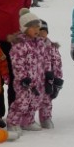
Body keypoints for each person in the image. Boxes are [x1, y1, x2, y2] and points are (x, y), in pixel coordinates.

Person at [5, 8, 47, 138]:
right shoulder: (19, 44)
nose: (36, 30)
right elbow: (17, 63)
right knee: (22, 102)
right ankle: (12, 122)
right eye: (32, 27)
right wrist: (23, 78)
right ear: (24, 28)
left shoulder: (40, 43)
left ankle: (28, 121)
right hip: (24, 81)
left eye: (37, 27)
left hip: (38, 79)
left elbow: (43, 60)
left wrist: (46, 74)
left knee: (35, 101)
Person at [37, 20, 63, 129]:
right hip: (35, 78)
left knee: (47, 99)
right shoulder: (32, 46)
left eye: (44, 31)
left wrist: (57, 78)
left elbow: (57, 63)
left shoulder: (52, 47)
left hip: (48, 78)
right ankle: (27, 119)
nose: (42, 33)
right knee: (31, 99)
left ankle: (46, 118)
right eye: (40, 31)